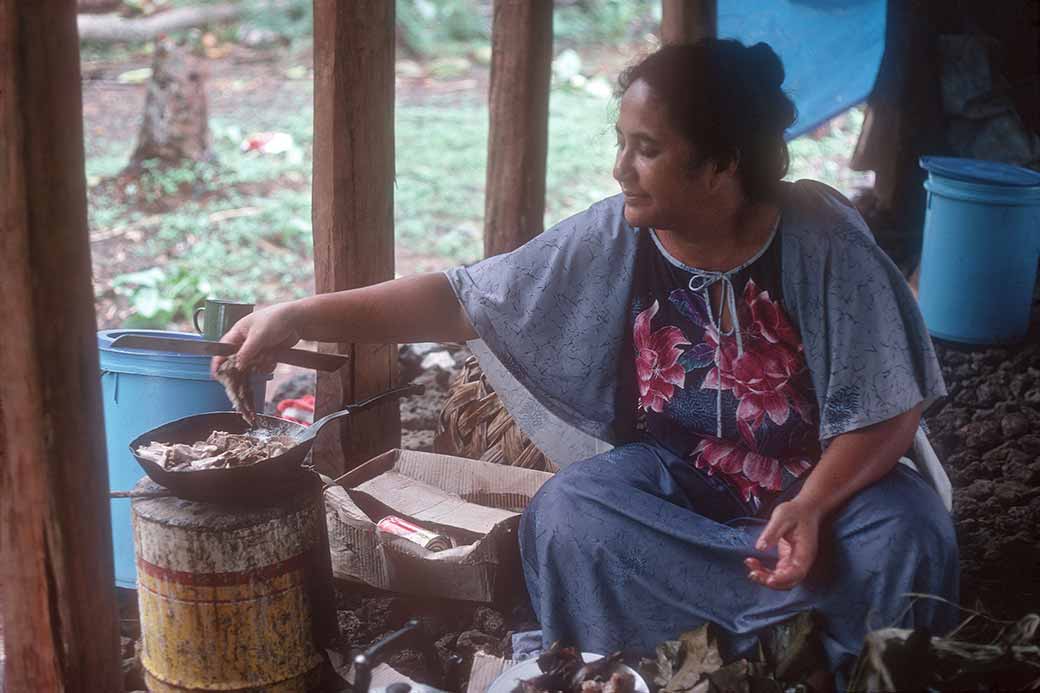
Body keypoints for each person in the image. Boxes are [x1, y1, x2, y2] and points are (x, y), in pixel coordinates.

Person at [218, 39, 958, 686]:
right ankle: (779, 642)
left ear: (721, 164)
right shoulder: (617, 237)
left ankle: (749, 639)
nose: (620, 168)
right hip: (680, 489)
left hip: (827, 493)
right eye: (621, 140)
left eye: (647, 148)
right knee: (567, 516)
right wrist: (298, 313)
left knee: (908, 536)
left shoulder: (816, 236)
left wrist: (812, 505)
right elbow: (460, 299)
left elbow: (889, 404)